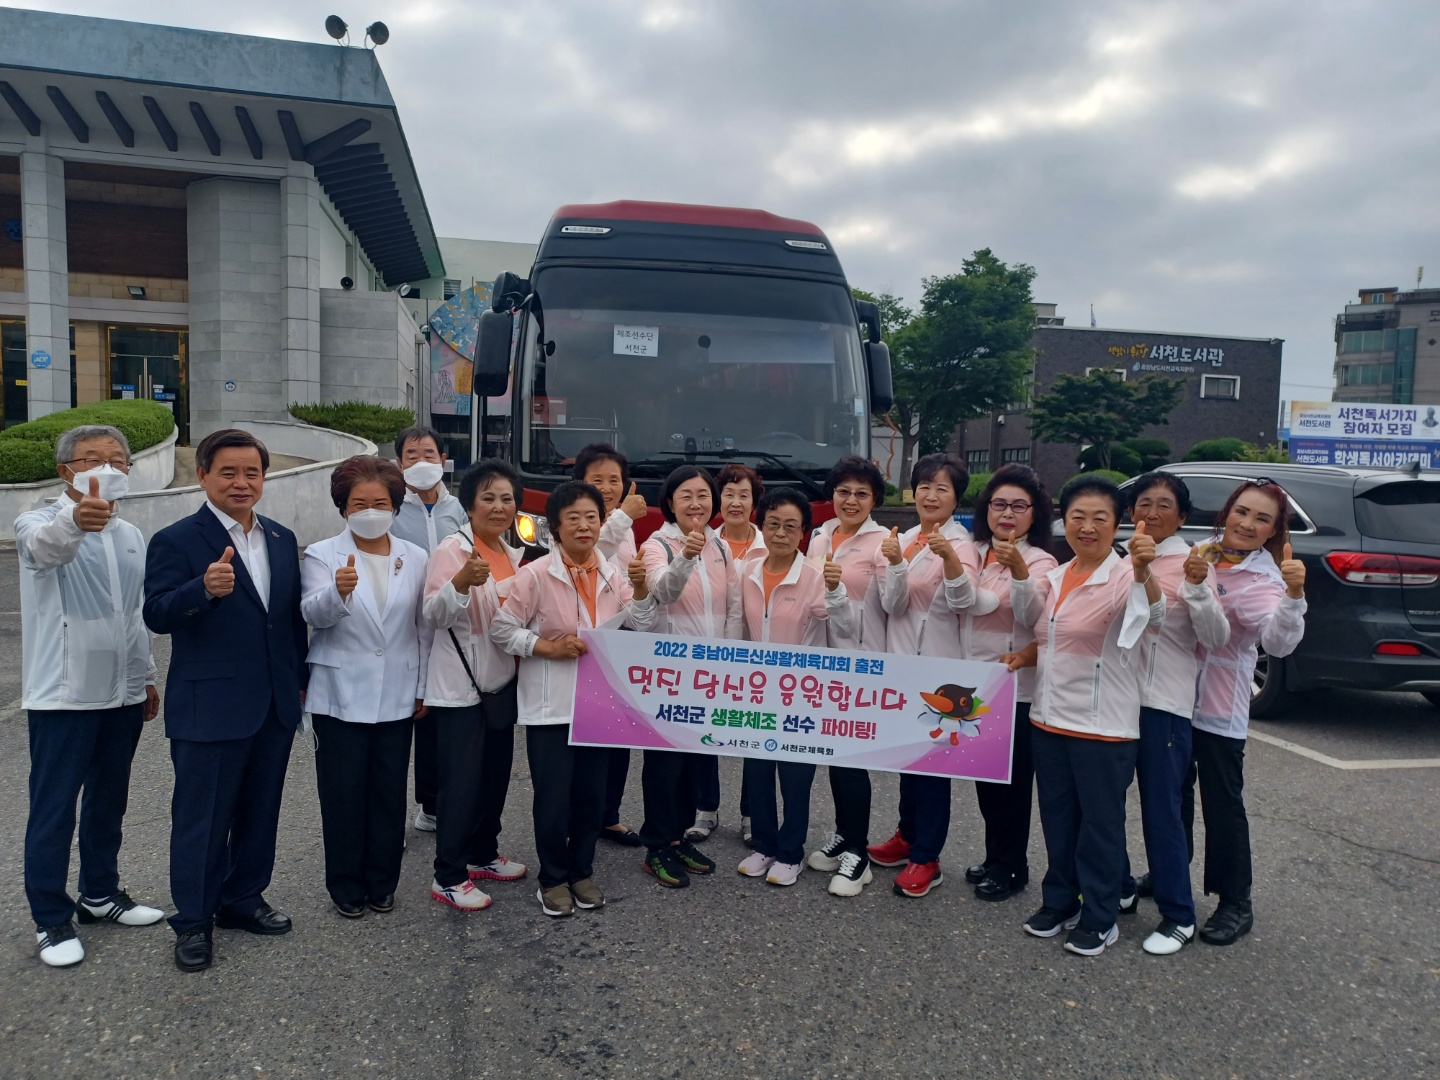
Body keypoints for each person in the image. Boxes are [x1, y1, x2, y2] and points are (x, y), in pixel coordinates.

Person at [144, 428, 308, 973]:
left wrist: (300, 679)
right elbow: (156, 613)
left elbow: (289, 619)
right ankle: (194, 920)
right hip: (209, 706)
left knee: (260, 810)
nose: (241, 482)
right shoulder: (176, 540)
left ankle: (243, 898)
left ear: (264, 478)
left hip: (274, 702)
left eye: (251, 472)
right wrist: (202, 591)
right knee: (203, 817)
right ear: (203, 476)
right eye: (229, 472)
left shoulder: (281, 537)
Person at [18, 425, 165, 968]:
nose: (107, 467)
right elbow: (45, 550)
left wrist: (146, 676)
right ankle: (50, 918)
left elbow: (135, 612)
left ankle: (99, 894)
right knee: (55, 809)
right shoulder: (38, 521)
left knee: (108, 799)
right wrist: (76, 520)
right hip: (64, 694)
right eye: (91, 459)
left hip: (121, 692)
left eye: (118, 460)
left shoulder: (131, 534)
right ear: (66, 471)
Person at [490, 481, 658, 917]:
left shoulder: (612, 573)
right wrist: (546, 647)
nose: (584, 526)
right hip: (551, 706)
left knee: (590, 796)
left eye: (591, 518)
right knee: (553, 798)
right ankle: (552, 879)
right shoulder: (535, 575)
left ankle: (582, 872)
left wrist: (641, 590)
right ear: (556, 529)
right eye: (574, 519)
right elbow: (502, 629)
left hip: (599, 705)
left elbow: (641, 625)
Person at [1021, 474, 1163, 958]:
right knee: (1058, 819)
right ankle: (1060, 900)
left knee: (1099, 827)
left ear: (1119, 523)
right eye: (1077, 516)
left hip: (1102, 727)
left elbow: (1152, 618)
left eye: (1100, 518)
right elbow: (1046, 639)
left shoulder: (1126, 576)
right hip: (1048, 719)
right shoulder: (1057, 576)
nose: (1087, 526)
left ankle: (1101, 916)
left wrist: (1144, 573)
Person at [301, 456, 433, 918]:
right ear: (343, 507)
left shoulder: (415, 556)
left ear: (395, 506)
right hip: (339, 693)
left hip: (399, 689)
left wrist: (422, 685)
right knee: (342, 794)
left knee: (388, 792)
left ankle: (382, 881)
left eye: (380, 503)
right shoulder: (322, 554)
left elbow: (423, 628)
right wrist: (336, 592)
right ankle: (345, 884)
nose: (371, 511)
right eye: (359, 503)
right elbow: (311, 614)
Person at [1113, 472, 1230, 955]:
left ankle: (1178, 914)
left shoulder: (1193, 564)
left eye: (1164, 505)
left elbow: (1216, 638)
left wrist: (1198, 588)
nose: (1152, 512)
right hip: (1115, 702)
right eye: (1144, 503)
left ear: (1181, 517)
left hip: (1164, 705)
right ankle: (1120, 885)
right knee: (1104, 803)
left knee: (1161, 810)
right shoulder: (1119, 560)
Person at [866, 454, 992, 899]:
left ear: (957, 497)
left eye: (942, 488)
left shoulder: (963, 545)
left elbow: (964, 603)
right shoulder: (904, 540)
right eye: (924, 486)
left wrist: (950, 560)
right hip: (902, 667)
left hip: (942, 672)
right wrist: (898, 564)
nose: (931, 495)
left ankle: (928, 856)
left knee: (934, 766)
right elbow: (893, 605)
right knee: (908, 760)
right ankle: (907, 836)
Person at [1188, 478, 1306, 946]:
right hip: (1172, 698)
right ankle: (1168, 870)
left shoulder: (1265, 579)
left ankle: (1235, 902)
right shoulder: (1201, 552)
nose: (1247, 524)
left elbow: (1278, 642)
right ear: (1227, 512)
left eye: (1262, 519)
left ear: (1274, 531)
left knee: (1222, 806)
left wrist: (1294, 596)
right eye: (1242, 511)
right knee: (1170, 795)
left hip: (1219, 707)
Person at [422, 460, 530, 912]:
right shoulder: (453, 549)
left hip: (500, 685)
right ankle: (448, 875)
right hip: (461, 689)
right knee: (461, 784)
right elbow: (433, 614)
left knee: (493, 778)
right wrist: (460, 584)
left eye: (507, 498)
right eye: (488, 498)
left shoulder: (512, 551)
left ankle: (483, 854)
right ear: (469, 506)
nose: (499, 507)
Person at [736, 489, 851, 886]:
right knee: (757, 772)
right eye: (773, 524)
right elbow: (739, 627)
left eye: (790, 526)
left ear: (803, 533)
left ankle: (791, 853)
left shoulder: (815, 577)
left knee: (795, 777)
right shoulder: (748, 571)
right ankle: (764, 846)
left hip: (801, 694)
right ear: (761, 527)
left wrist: (836, 591)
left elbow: (844, 626)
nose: (781, 533)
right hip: (756, 690)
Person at [636, 465, 743, 888]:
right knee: (664, 763)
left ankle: (678, 838)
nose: (696, 504)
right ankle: (657, 846)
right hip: (670, 674)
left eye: (703, 495)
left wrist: (728, 661)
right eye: (686, 496)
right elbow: (663, 590)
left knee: (695, 760)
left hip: (709, 674)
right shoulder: (657, 544)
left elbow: (733, 608)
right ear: (670, 503)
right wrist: (686, 556)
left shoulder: (722, 547)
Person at [957, 465, 1059, 904]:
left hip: (1014, 687)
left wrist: (1018, 570)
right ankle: (995, 855)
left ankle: (1011, 866)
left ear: (1035, 513)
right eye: (999, 504)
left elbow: (1031, 616)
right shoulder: (973, 551)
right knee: (985, 779)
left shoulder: (1040, 561)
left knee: (1011, 786)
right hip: (973, 683)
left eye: (1019, 506)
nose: (1007, 513)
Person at [804, 456, 889, 896]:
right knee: (834, 756)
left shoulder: (881, 542)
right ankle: (843, 834)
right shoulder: (820, 536)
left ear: (874, 499)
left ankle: (859, 853)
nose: (850, 500)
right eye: (843, 491)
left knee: (852, 761)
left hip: (860, 661)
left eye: (861, 493)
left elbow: (892, 604)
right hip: (823, 662)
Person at [390, 426, 467, 835]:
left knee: (435, 718)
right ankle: (391, 818)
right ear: (398, 463)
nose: (421, 462)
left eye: (429, 454)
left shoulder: (459, 509)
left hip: (449, 622)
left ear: (443, 460)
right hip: (402, 625)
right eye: (412, 455)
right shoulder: (389, 508)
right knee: (401, 720)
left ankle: (432, 805)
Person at [574, 443, 649, 849]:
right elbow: (589, 553)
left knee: (619, 733)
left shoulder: (626, 525)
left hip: (622, 640)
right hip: (587, 643)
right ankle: (577, 820)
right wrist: (622, 517)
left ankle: (608, 816)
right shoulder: (577, 522)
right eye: (597, 479)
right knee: (585, 736)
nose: (606, 488)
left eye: (614, 480)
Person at [688, 462, 766, 842]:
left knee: (755, 733)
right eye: (729, 494)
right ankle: (705, 809)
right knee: (707, 729)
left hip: (762, 656)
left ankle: (752, 813)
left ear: (754, 501)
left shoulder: (771, 543)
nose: (736, 502)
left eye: (743, 495)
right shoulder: (702, 543)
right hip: (712, 653)